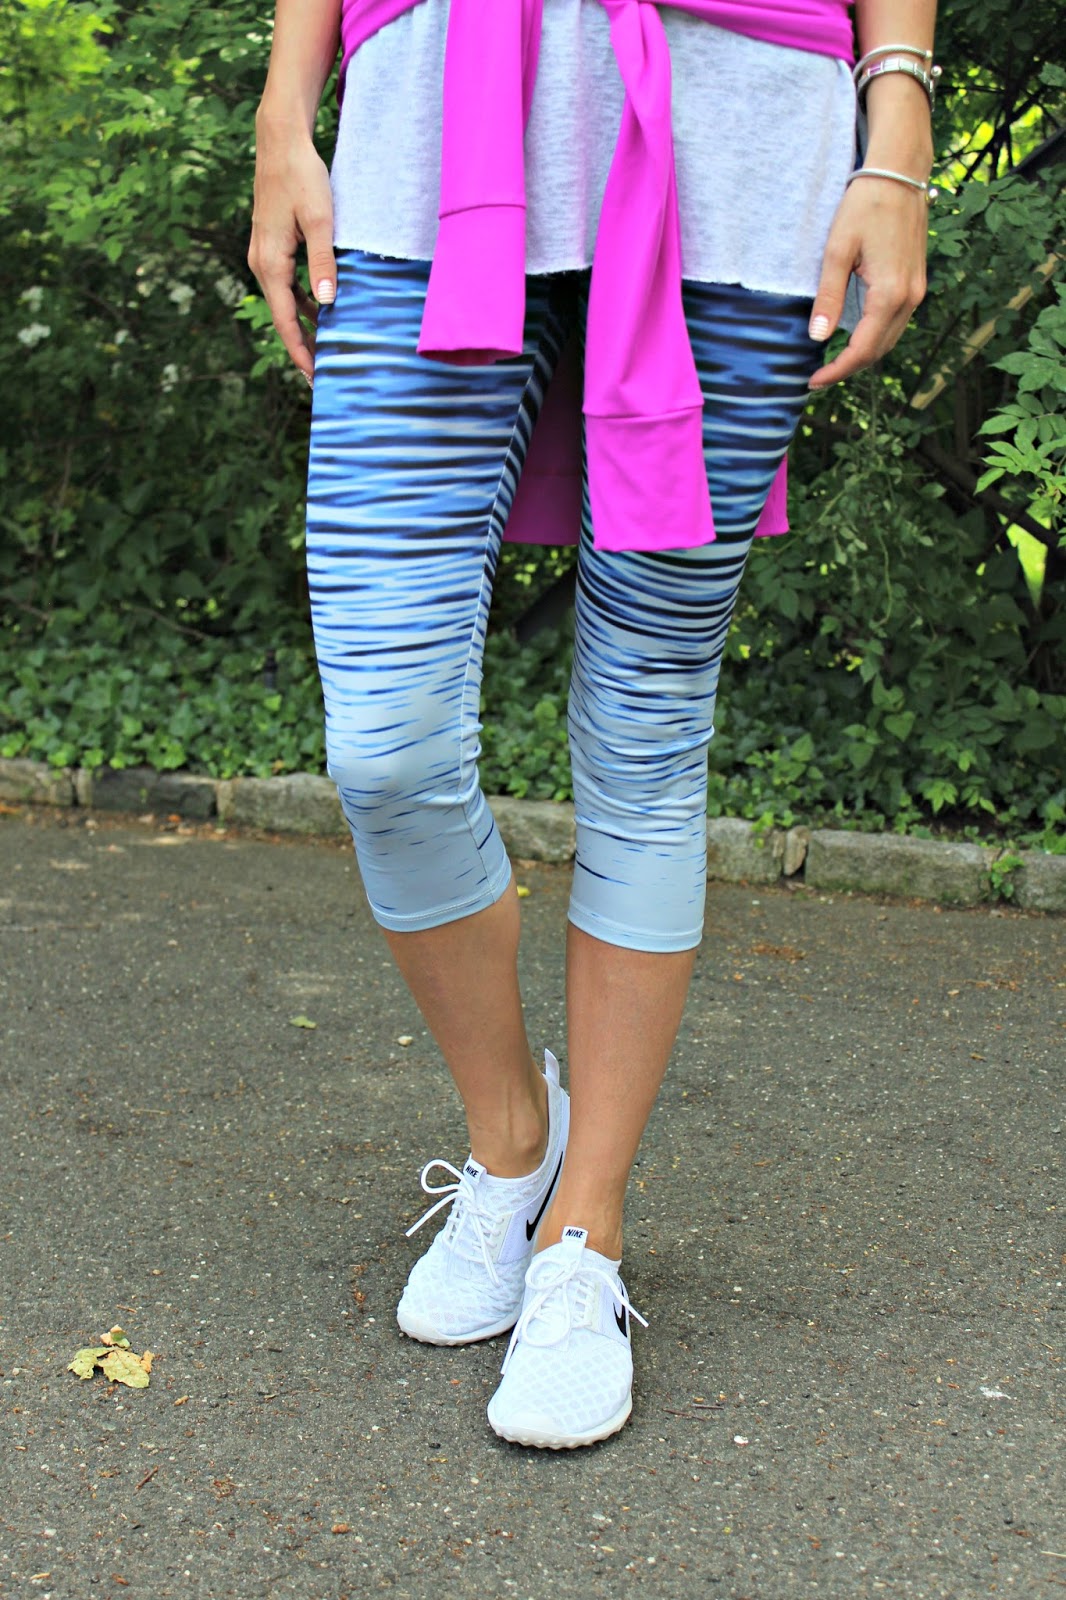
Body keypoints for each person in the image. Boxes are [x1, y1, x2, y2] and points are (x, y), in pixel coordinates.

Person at [250, 0, 937, 1450]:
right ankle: (515, 1136)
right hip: (427, 129)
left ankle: (584, 1230)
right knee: (383, 743)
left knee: (647, 730)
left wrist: (898, 136)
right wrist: (282, 116)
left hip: (739, 139)